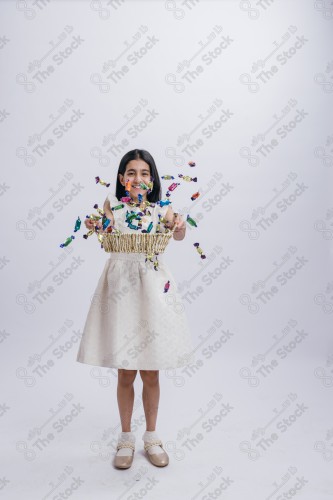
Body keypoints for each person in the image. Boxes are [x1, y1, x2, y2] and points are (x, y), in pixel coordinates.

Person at [76, 149, 195, 469]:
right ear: (121, 179)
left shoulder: (161, 208)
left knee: (151, 370)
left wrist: (180, 226)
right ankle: (126, 437)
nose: (138, 178)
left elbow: (179, 233)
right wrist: (94, 223)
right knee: (126, 369)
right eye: (131, 173)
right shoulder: (112, 205)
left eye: (144, 173)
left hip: (153, 286)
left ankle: (152, 436)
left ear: (152, 179)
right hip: (120, 287)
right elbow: (103, 227)